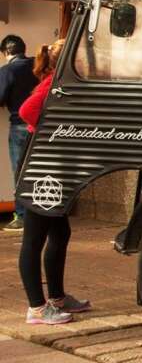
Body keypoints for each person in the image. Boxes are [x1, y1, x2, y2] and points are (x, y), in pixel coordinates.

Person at [18, 39, 91, 325]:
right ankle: (36, 308)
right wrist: (47, 132)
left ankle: (58, 298)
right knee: (34, 238)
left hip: (52, 164)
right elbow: (26, 111)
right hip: (40, 166)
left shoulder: (61, 83)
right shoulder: (53, 84)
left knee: (60, 233)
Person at [0, 35, 38, 231]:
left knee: (19, 171)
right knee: (36, 168)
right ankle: (39, 212)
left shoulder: (8, 70)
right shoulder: (37, 65)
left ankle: (22, 216)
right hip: (39, 126)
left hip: (18, 126)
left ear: (6, 52)